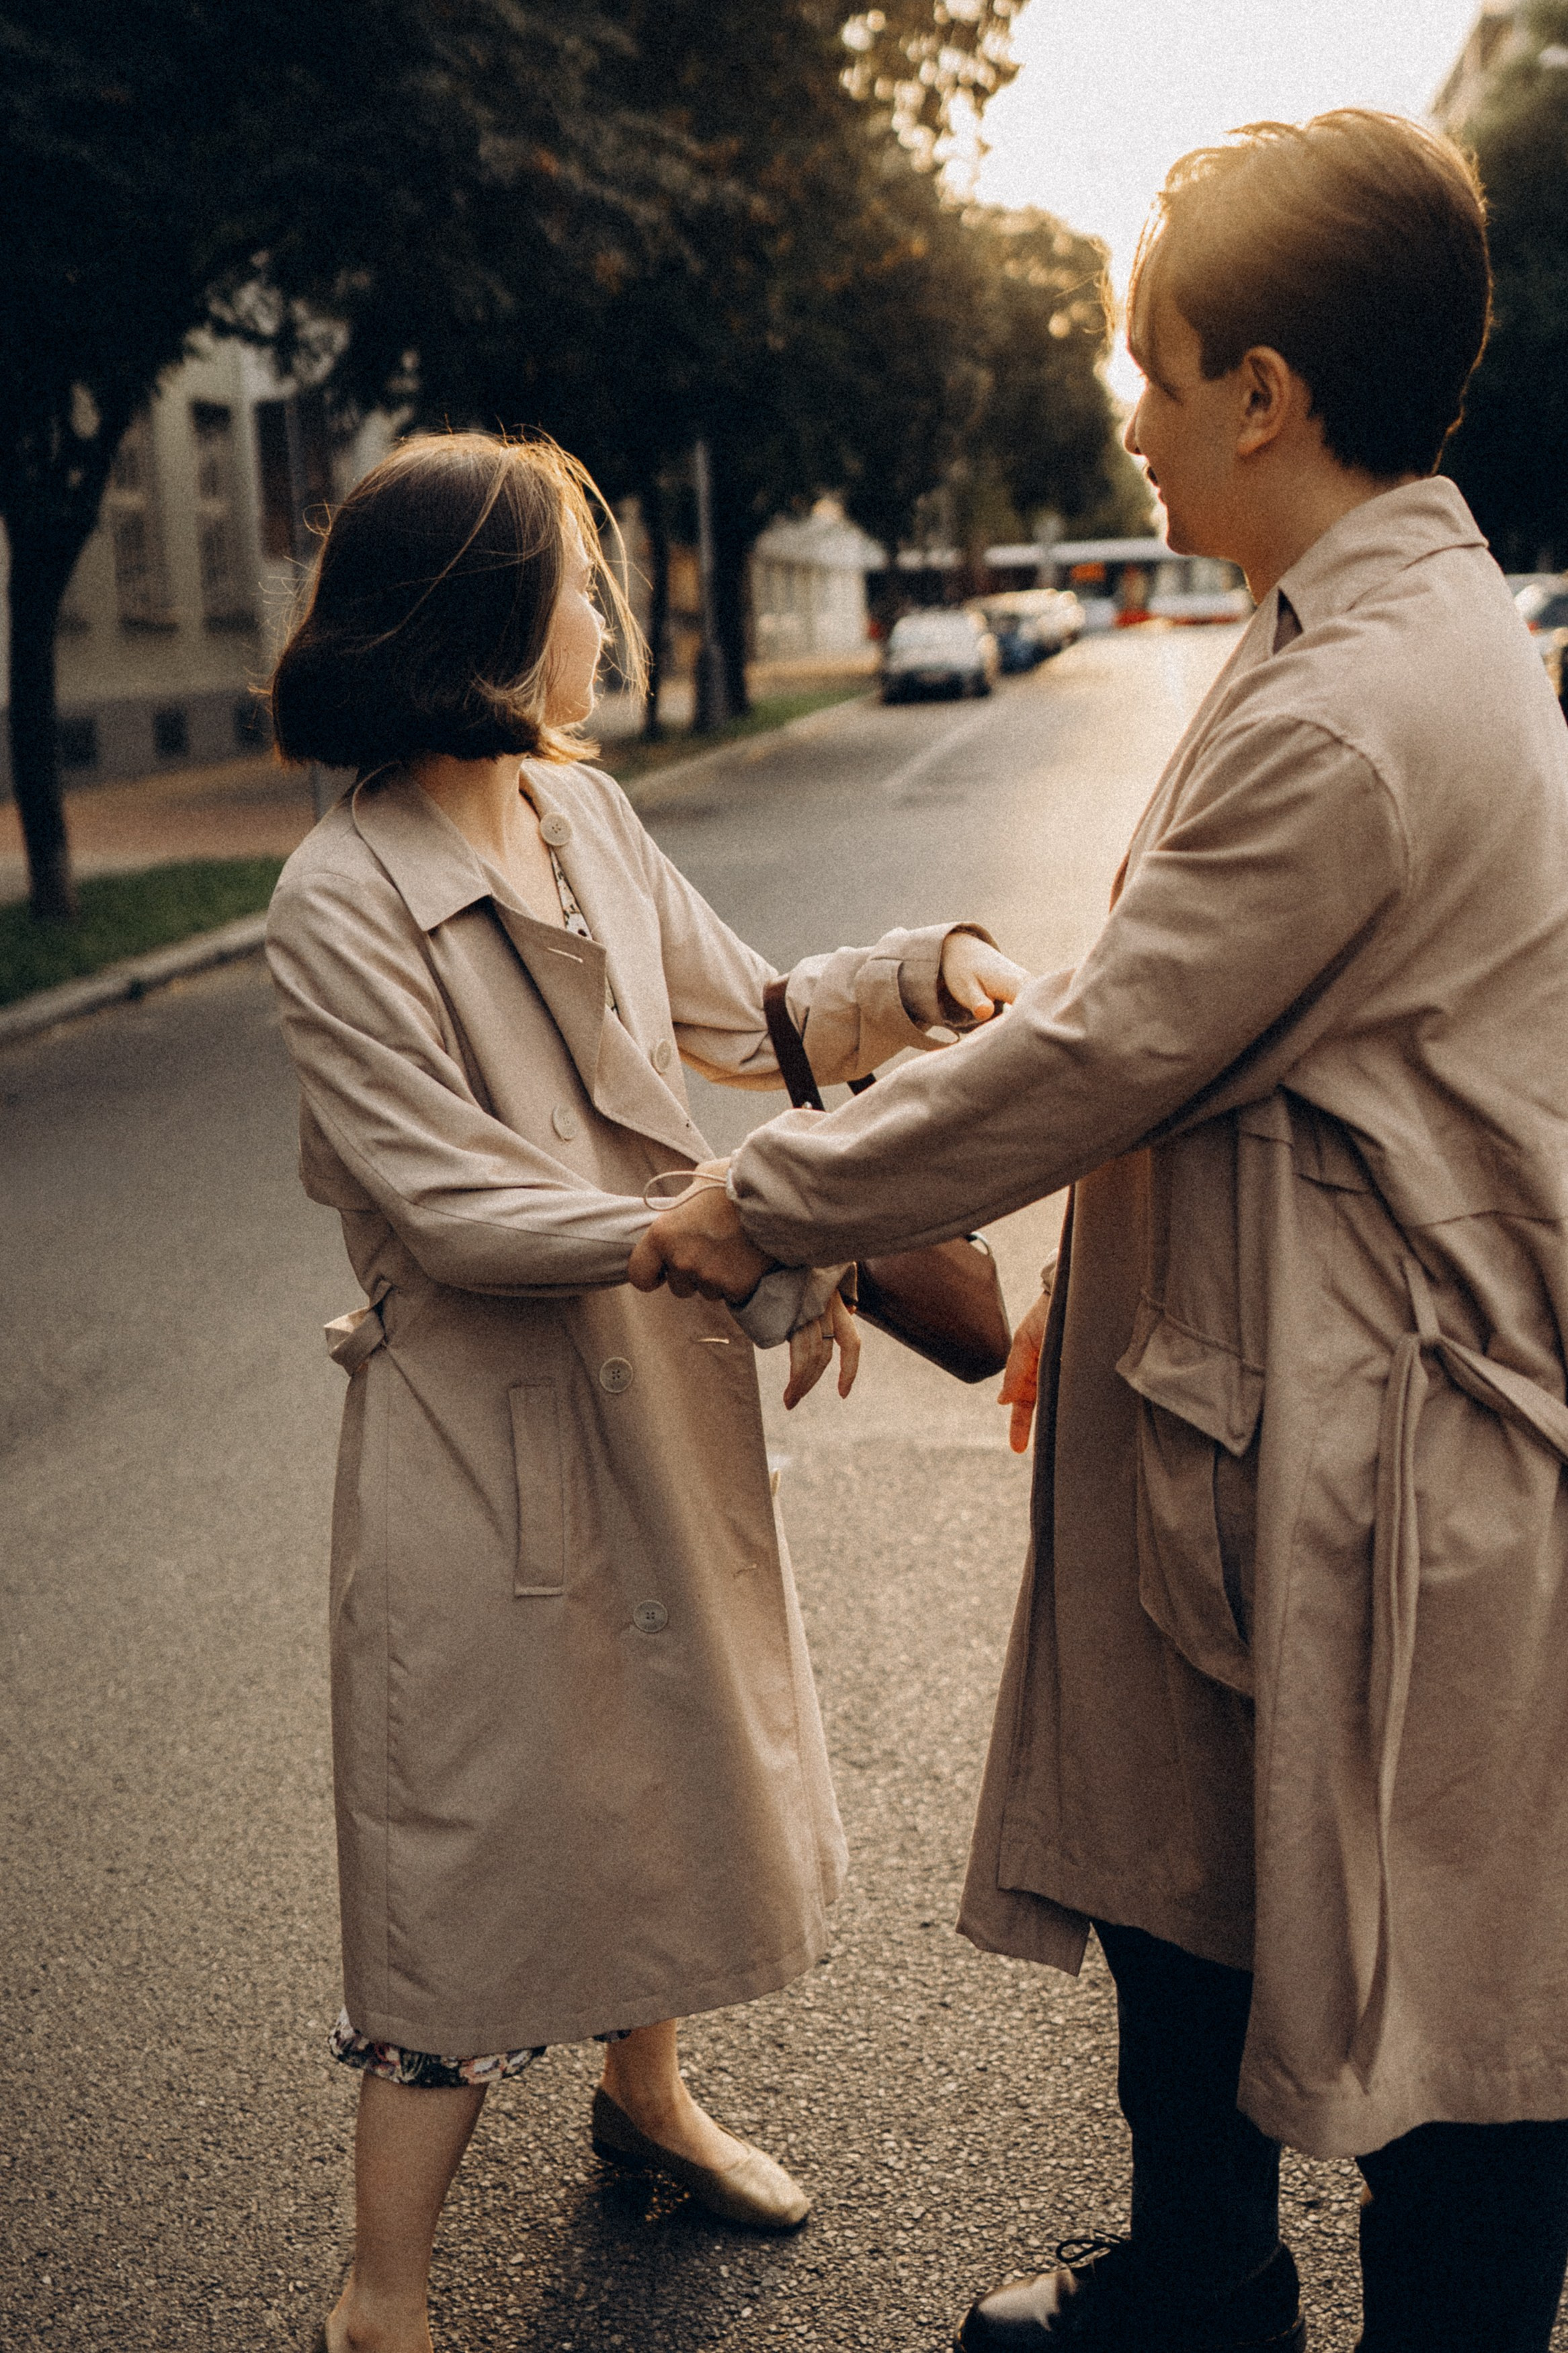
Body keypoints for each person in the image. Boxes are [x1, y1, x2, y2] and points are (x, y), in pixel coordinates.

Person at [631, 110, 1568, 2353]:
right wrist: (1094, 1263)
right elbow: (1222, 1036)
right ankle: (1198, 2284)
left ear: (1267, 391)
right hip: (1268, 1382)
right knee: (1200, 1886)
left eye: (1153, 368)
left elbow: (1105, 1057)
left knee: (1450, 1976)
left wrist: (749, 1195)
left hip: (1389, 1447)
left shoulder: (1349, 705)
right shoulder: (1362, 620)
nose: (1127, 419)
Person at [262, 429, 1028, 2353]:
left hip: (644, 1395)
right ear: (494, 620)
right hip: (481, 1432)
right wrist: (760, 1242)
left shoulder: (576, 812)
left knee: (652, 1767)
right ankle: (383, 2293)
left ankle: (646, 2097)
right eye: (580, 584)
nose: (603, 612)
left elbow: (745, 1011)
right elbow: (450, 1208)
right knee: (470, 1828)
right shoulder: (338, 896)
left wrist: (928, 976)